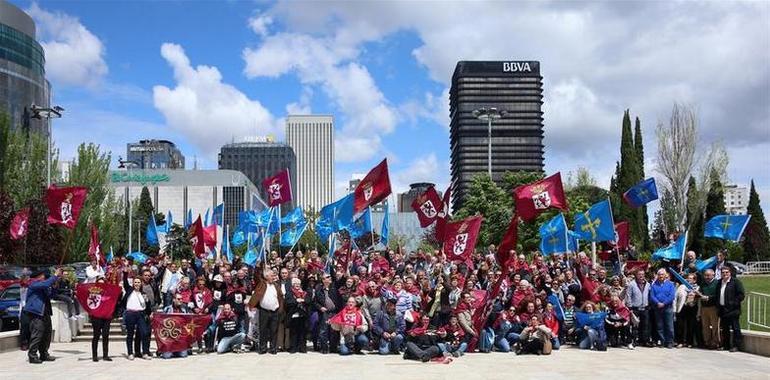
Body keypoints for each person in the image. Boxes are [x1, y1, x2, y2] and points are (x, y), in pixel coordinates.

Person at [23, 268, 61, 364]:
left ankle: (44, 354)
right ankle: (32, 355)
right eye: (44, 276)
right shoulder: (33, 283)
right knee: (37, 334)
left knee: (46, 334)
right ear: (38, 276)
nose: (45, 277)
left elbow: (51, 295)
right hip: (37, 313)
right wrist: (55, 276)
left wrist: (55, 286)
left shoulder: (42, 286)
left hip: (45, 312)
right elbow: (45, 284)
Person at [247, 263, 284, 354]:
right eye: (272, 275)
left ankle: (273, 348)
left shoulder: (276, 285)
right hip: (264, 311)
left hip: (275, 311)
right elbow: (256, 276)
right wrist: (259, 266)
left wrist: (280, 309)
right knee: (263, 330)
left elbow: (280, 297)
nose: (273, 277)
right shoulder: (262, 284)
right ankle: (262, 348)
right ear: (266, 276)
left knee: (274, 330)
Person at [123, 267, 151, 360]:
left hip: (141, 314)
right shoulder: (129, 290)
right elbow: (125, 283)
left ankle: (145, 352)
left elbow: (148, 305)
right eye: (135, 282)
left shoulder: (143, 294)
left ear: (141, 283)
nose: (137, 284)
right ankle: (130, 353)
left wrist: (149, 313)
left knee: (144, 333)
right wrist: (125, 273)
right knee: (130, 334)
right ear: (133, 283)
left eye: (139, 282)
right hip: (130, 314)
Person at [717, 266, 745, 352]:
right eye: (723, 272)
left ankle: (736, 346)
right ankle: (726, 345)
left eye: (726, 272)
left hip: (733, 310)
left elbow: (741, 295)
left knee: (735, 328)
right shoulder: (719, 282)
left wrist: (733, 303)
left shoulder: (735, 282)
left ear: (730, 273)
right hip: (723, 309)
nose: (725, 274)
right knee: (725, 329)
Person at [649, 268, 675, 348]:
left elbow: (672, 296)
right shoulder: (654, 285)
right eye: (659, 274)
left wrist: (664, 303)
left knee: (669, 326)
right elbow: (652, 296)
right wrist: (658, 303)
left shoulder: (670, 284)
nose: (661, 276)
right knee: (660, 326)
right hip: (658, 308)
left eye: (662, 274)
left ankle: (669, 342)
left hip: (668, 307)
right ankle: (662, 341)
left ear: (665, 275)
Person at [624, 269, 651, 346]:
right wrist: (630, 306)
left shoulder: (648, 284)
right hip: (635, 308)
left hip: (645, 308)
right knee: (635, 326)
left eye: (642, 274)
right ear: (636, 275)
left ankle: (644, 341)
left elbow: (649, 295)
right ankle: (634, 340)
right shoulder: (632, 284)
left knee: (645, 325)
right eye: (639, 274)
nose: (641, 276)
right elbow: (628, 296)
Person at [91, 276, 114, 362]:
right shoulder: (93, 293)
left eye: (103, 284)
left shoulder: (108, 293)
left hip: (106, 316)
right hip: (96, 317)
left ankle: (105, 355)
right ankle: (95, 355)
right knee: (96, 336)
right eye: (99, 284)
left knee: (105, 335)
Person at [161, 293, 191, 359]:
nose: (180, 300)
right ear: (174, 300)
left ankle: (176, 350)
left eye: (181, 299)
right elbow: (161, 321)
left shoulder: (184, 310)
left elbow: (189, 321)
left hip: (180, 336)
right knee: (167, 356)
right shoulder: (167, 309)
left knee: (184, 355)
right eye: (178, 299)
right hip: (170, 336)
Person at [284, 277, 309, 353]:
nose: (297, 285)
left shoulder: (304, 292)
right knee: (293, 332)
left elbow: (309, 300)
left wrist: (303, 300)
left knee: (302, 332)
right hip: (293, 315)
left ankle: (302, 348)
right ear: (292, 285)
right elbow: (288, 302)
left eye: (298, 284)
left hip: (302, 315)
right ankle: (293, 348)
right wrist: (296, 300)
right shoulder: (289, 292)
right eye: (295, 284)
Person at [697, 269, 720, 349]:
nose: (706, 277)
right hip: (704, 307)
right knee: (705, 326)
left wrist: (708, 298)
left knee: (715, 326)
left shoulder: (717, 283)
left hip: (713, 307)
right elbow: (700, 294)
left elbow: (718, 296)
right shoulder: (703, 284)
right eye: (705, 275)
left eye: (708, 275)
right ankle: (707, 342)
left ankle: (715, 342)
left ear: (713, 275)